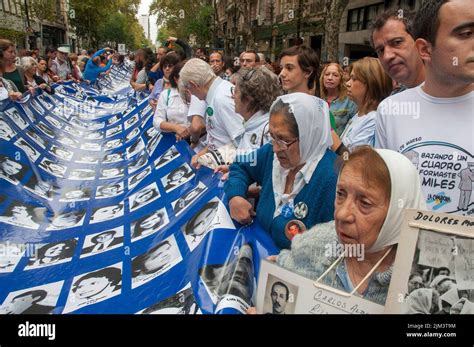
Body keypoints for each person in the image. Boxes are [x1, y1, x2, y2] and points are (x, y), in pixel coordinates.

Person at [274, 146, 426, 305]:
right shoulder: (312, 246)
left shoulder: (420, 282)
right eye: (340, 194)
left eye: (365, 203)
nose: (341, 214)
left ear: (397, 212)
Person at [375, 0, 474, 216]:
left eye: (397, 42)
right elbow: (384, 194)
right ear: (425, 49)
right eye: (465, 33)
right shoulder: (391, 111)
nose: (388, 55)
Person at [225, 93, 337, 249]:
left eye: (284, 140)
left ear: (308, 136)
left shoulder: (334, 181)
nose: (276, 148)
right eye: (272, 136)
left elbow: (331, 252)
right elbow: (240, 165)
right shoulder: (270, 154)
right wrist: (235, 196)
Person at [179, 58, 245, 166]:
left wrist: (210, 158)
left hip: (229, 169)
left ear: (194, 84)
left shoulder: (222, 99)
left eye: (188, 88)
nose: (190, 93)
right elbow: (219, 136)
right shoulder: (216, 94)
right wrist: (204, 153)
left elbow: (244, 144)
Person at [335, 57, 392, 152]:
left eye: (354, 79)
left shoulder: (374, 120)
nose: (348, 84)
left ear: (371, 83)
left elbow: (354, 161)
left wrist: (332, 137)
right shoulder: (358, 116)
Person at [371, 9, 425, 93]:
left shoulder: (450, 93)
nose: (387, 56)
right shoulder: (391, 102)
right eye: (380, 50)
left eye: (397, 42)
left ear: (421, 45)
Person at [153, 60, 190, 141]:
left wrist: (189, 131)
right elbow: (157, 120)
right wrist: (175, 128)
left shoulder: (199, 95)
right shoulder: (166, 95)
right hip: (173, 140)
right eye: (184, 77)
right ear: (176, 79)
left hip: (198, 143)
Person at [319, 63, 357, 136]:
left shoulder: (349, 101)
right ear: (322, 78)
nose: (330, 78)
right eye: (327, 74)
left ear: (341, 79)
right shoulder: (319, 101)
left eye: (335, 75)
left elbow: (355, 127)